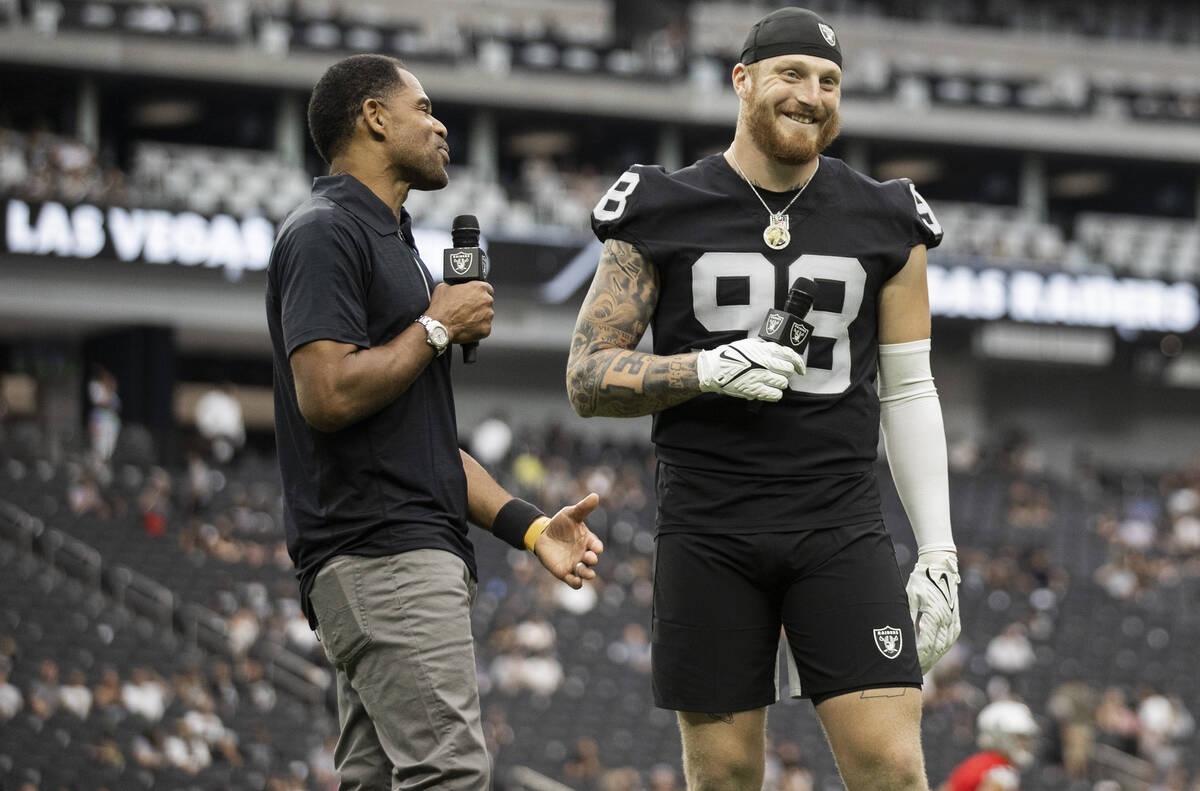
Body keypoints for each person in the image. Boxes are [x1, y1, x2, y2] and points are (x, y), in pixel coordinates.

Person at [566, 8, 959, 790]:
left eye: (829, 81)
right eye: (792, 73)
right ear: (741, 80)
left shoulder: (887, 218)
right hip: (708, 522)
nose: (812, 95)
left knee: (890, 763)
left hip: (839, 521)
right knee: (724, 774)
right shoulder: (661, 205)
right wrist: (705, 370)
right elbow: (586, 374)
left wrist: (940, 547)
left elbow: (910, 386)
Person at [266, 53, 604, 789]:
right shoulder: (325, 230)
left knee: (382, 779)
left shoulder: (397, 242)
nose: (440, 122)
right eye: (422, 107)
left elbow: (424, 451)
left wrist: (533, 528)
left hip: (387, 551)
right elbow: (322, 394)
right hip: (383, 552)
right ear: (374, 117)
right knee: (447, 773)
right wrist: (434, 326)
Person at [939, 700, 1039, 791]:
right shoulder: (1000, 773)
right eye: (1020, 738)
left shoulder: (977, 763)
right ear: (1001, 736)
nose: (1025, 744)